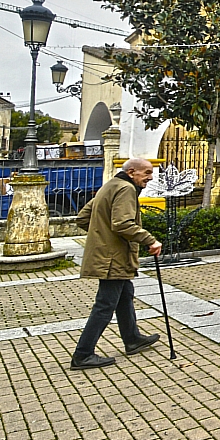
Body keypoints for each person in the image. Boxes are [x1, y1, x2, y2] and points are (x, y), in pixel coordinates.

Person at [70, 157, 163, 369]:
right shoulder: (126, 189)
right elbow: (123, 224)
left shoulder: (109, 186)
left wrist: (102, 237)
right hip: (113, 258)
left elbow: (83, 218)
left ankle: (132, 339)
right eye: (146, 173)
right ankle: (83, 354)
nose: (150, 177)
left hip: (110, 255)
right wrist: (150, 240)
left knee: (124, 295)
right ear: (131, 172)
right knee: (105, 305)